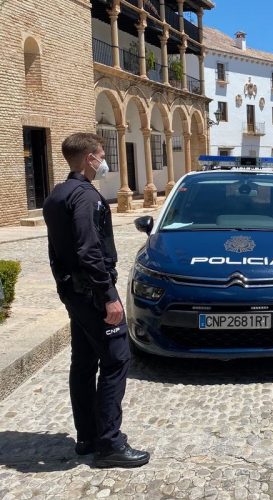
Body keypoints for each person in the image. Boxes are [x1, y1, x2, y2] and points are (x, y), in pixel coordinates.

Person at [43, 133, 149, 468]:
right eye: (102, 154)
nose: (104, 160)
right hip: (92, 293)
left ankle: (87, 436)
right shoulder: (86, 197)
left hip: (75, 293)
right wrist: (108, 297)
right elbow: (89, 251)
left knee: (84, 362)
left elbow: (55, 252)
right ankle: (109, 443)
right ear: (89, 157)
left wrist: (66, 290)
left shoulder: (57, 195)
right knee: (117, 359)